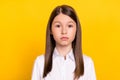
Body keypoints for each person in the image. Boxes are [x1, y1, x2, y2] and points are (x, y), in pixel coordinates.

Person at [31, 5, 96, 80]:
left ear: (76, 29)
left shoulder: (87, 63)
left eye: (70, 26)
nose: (64, 31)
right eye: (58, 26)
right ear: (51, 30)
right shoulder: (40, 62)